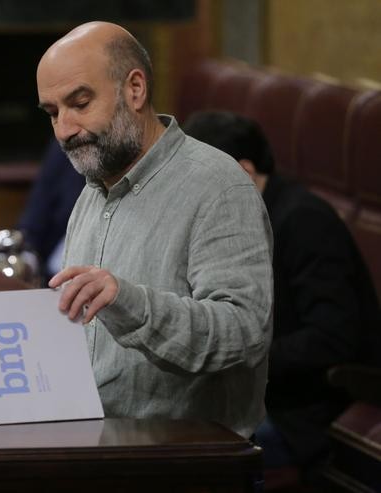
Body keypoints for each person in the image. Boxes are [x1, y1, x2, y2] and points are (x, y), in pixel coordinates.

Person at [37, 21, 273, 439]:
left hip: (185, 459)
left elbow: (242, 333)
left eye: (80, 102)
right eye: (53, 113)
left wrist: (131, 304)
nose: (64, 130)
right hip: (97, 443)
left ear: (135, 90)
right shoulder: (92, 190)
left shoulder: (218, 186)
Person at [183, 110, 381, 472]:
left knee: (183, 459)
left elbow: (332, 338)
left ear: (242, 171)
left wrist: (238, 359)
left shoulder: (305, 221)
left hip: (303, 410)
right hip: (248, 395)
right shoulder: (229, 222)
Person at [17, 139, 85, 281]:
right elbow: (38, 207)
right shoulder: (65, 141)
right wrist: (26, 256)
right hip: (50, 272)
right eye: (54, 116)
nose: (63, 127)